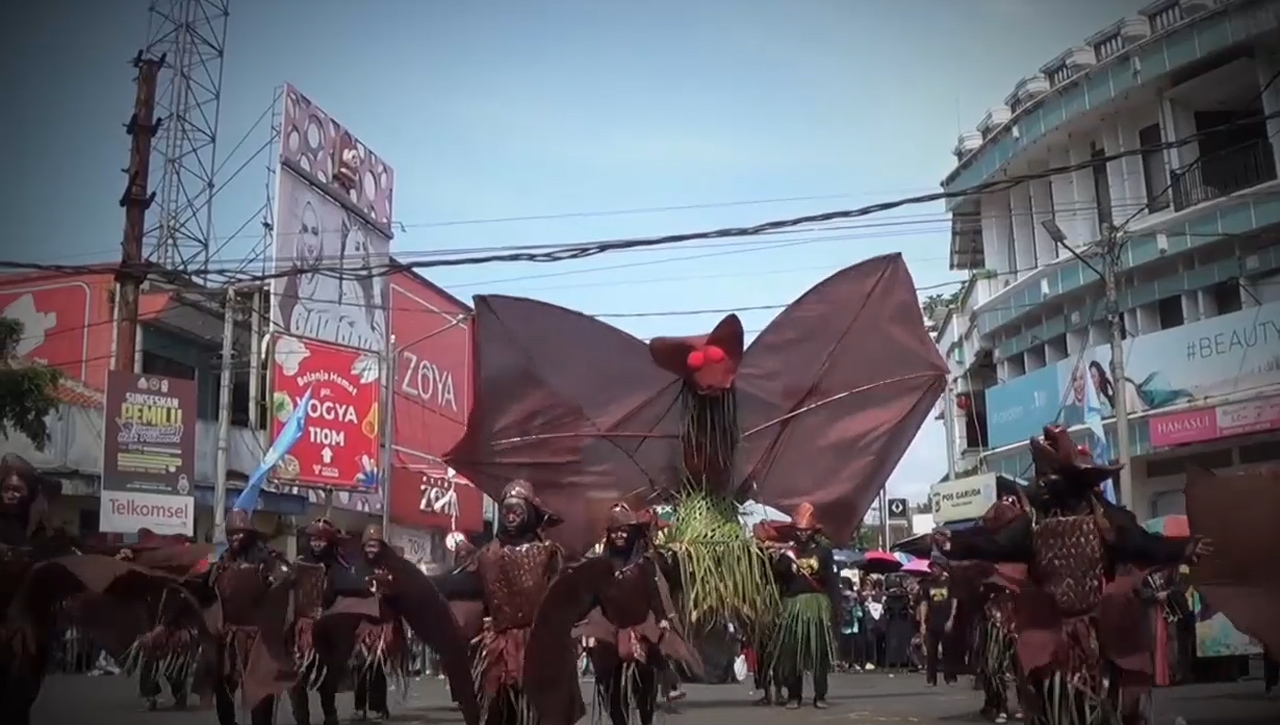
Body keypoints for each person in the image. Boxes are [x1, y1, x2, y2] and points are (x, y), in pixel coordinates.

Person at [936, 425, 1210, 725]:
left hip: (1098, 631)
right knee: (1048, 703)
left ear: (1069, 479)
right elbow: (995, 544)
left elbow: (1142, 543)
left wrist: (1182, 548)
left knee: (1110, 701)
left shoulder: (1104, 519)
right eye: (1040, 477)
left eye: (1048, 477)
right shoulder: (1034, 522)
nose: (1040, 484)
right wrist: (955, 544)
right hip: (1052, 632)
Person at [527, 502, 699, 725]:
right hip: (611, 630)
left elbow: (655, 594)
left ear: (633, 533)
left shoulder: (645, 565)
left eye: (623, 531)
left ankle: (667, 686)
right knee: (610, 687)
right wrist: (578, 621)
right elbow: (589, 598)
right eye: (614, 531)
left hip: (641, 628)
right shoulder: (600, 568)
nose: (619, 535)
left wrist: (662, 618)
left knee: (648, 678)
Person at [434, 480, 582, 725]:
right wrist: (418, 580)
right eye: (506, 512)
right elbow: (461, 582)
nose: (510, 517)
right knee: (499, 711)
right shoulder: (487, 555)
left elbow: (564, 595)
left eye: (517, 512)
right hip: (500, 647)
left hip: (540, 644)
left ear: (530, 514)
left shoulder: (548, 553)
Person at [198, 509, 295, 725]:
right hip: (229, 637)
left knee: (261, 693)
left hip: (258, 638)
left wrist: (273, 579)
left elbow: (288, 576)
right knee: (223, 687)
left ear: (249, 534)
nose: (234, 538)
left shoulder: (268, 559)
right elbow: (207, 593)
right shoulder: (222, 562)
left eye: (239, 534)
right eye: (231, 534)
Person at [764, 502, 838, 710]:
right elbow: (777, 576)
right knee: (792, 654)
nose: (803, 535)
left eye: (806, 531)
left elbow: (831, 581)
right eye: (799, 531)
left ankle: (820, 695)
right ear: (794, 532)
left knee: (819, 654)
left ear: (813, 531)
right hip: (794, 605)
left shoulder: (824, 552)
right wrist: (780, 560)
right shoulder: (788, 554)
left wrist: (835, 608)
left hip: (817, 605)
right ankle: (794, 696)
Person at [288, 517, 352, 725]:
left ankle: (330, 716)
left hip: (330, 633)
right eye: (314, 539)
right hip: (302, 631)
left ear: (329, 542)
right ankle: (302, 720)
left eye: (321, 540)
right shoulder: (299, 564)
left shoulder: (340, 568)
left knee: (328, 681)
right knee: (297, 680)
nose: (317, 543)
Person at [350, 524, 411, 722]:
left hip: (384, 625)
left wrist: (389, 587)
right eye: (368, 545)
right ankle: (359, 706)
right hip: (362, 625)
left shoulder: (391, 567)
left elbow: (401, 593)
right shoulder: (357, 568)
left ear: (381, 547)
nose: (371, 549)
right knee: (359, 667)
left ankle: (378, 707)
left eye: (374, 545)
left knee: (377, 667)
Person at [917, 566, 957, 687]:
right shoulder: (927, 584)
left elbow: (954, 601)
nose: (933, 570)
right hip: (931, 622)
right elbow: (924, 603)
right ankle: (931, 679)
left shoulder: (949, 582)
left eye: (935, 568)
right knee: (931, 652)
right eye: (931, 568)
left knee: (948, 651)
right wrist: (923, 623)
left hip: (945, 620)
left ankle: (950, 677)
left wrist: (951, 618)